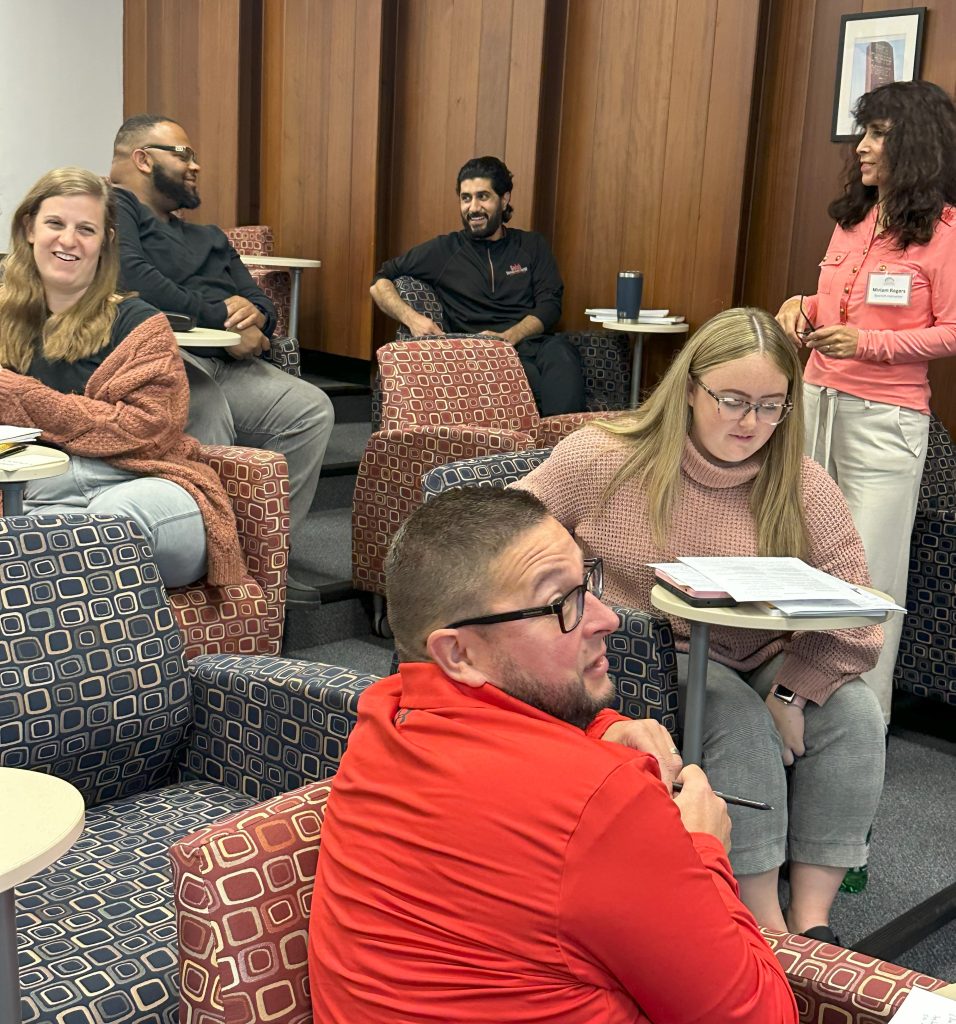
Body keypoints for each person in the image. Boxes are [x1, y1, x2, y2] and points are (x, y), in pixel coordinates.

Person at [308, 485, 799, 1023]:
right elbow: (764, 1016)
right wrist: (705, 850)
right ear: (459, 652)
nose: (606, 619)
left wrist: (603, 729)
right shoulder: (602, 805)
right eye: (561, 604)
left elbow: (510, 742)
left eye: (587, 584)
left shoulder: (386, 711)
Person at [513, 307, 886, 942]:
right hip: (653, 652)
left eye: (772, 407)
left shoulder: (801, 483)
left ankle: (814, 922)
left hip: (763, 651)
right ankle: (764, 926)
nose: (751, 424)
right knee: (734, 717)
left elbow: (856, 614)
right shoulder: (605, 456)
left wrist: (793, 692)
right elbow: (503, 536)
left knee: (855, 715)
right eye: (734, 400)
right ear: (691, 387)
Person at [776, 80, 956, 722]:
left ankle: (858, 728)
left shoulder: (942, 234)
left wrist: (869, 342)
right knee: (800, 559)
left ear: (915, 143)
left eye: (878, 133)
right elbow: (834, 304)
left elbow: (952, 331)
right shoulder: (851, 219)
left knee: (867, 577)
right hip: (816, 402)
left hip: (886, 423)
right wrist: (802, 307)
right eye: (864, 132)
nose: (862, 147)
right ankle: (789, 705)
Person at [108, 113, 335, 605]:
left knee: (310, 408)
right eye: (184, 154)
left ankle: (264, 559)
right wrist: (217, 321)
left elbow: (259, 302)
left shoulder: (208, 236)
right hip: (165, 356)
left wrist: (254, 323)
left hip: (233, 361)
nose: (197, 166)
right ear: (143, 159)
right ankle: (211, 560)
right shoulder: (112, 207)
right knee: (202, 404)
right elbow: (133, 277)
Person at [0, 167, 247, 589]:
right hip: (34, 494)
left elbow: (145, 430)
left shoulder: (140, 325)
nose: (68, 240)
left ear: (106, 242)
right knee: (38, 534)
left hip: (142, 485)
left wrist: (17, 393)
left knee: (101, 529)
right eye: (55, 223)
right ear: (28, 228)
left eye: (86, 229)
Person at [370, 155, 586, 416]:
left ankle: (564, 448)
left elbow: (550, 305)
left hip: (533, 343)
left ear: (504, 199)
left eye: (483, 196)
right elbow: (380, 281)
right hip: (482, 355)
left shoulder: (532, 246)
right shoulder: (443, 250)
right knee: (534, 382)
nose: (473, 208)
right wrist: (412, 319)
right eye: (466, 198)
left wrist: (511, 336)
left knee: (563, 353)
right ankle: (556, 449)